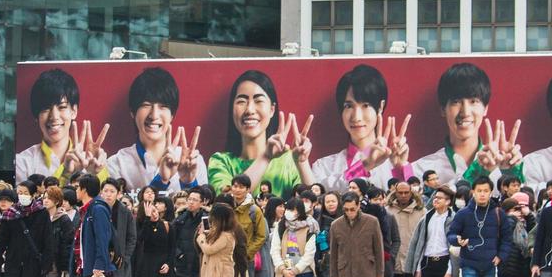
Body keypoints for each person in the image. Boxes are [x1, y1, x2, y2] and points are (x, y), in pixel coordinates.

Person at [412, 62, 522, 188]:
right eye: (456, 101)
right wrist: (475, 174)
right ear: (443, 109)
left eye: (473, 101)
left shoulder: (502, 164)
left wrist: (510, 174)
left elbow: (531, 206)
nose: (465, 112)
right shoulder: (420, 170)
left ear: (485, 108)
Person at [207, 70, 313, 199]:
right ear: (232, 109)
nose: (250, 110)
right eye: (241, 101)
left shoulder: (289, 160)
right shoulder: (220, 161)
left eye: (258, 101)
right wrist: (265, 157)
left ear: (272, 109)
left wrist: (302, 162)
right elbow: (230, 201)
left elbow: (318, 204)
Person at [310, 65, 414, 194]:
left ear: (380, 107)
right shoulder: (323, 166)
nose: (356, 117)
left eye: (365, 105)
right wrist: (363, 167)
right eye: (349, 106)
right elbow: (319, 200)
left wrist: (400, 170)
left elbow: (417, 206)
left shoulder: (396, 164)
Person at [106, 67, 208, 194]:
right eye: (146, 105)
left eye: (163, 106)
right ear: (132, 111)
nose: (154, 115)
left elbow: (204, 212)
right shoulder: (116, 164)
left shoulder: (193, 161)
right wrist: (161, 180)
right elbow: (119, 213)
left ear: (172, 115)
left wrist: (188, 183)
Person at [15, 68, 108, 182]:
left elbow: (111, 198)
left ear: (74, 111)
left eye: (62, 107)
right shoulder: (23, 162)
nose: (54, 116)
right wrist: (66, 174)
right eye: (45, 108)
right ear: (36, 116)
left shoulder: (90, 161)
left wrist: (95, 175)